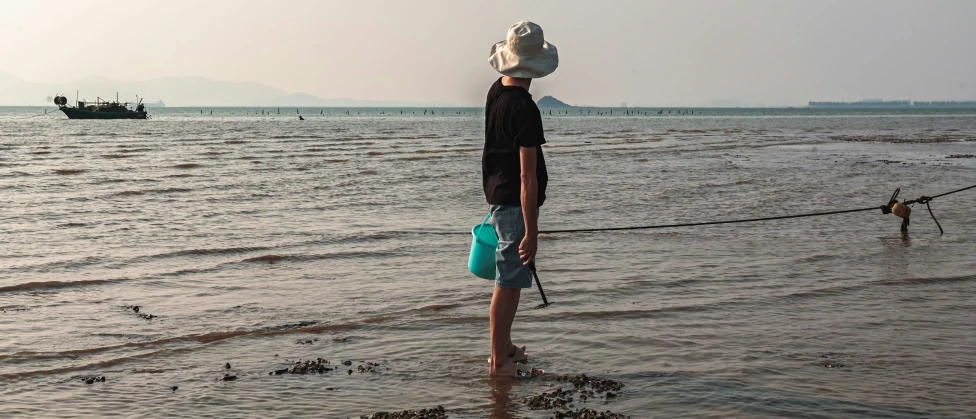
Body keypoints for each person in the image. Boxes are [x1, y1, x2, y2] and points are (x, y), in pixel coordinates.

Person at [482, 21, 558, 379]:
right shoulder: (525, 108)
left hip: (498, 194)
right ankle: (500, 364)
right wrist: (532, 230)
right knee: (509, 281)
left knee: (509, 276)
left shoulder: (497, 90)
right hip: (513, 201)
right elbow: (527, 176)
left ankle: (506, 348)